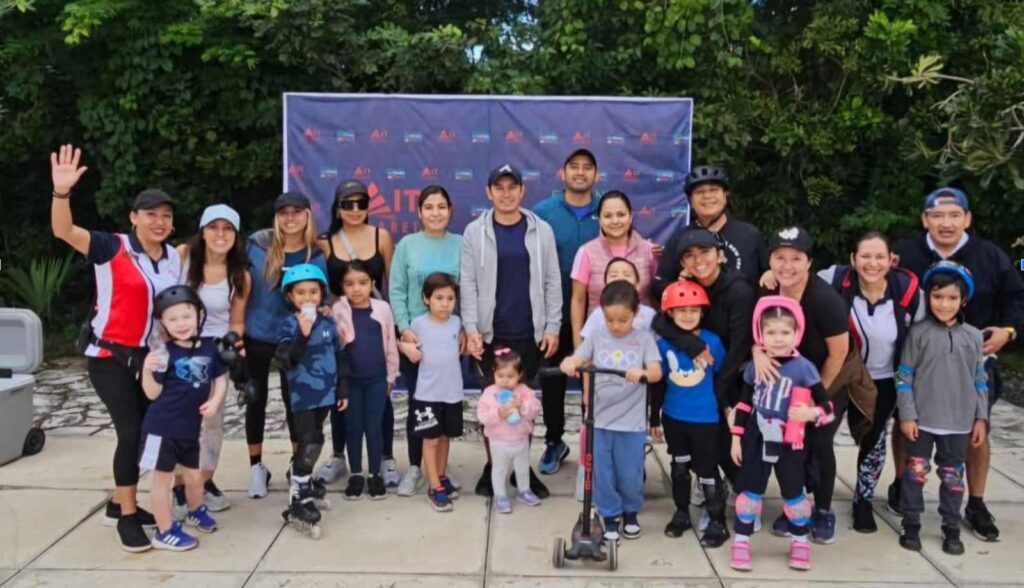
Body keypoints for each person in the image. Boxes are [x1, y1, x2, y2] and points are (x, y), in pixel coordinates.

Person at [49, 144, 180, 551]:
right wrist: (61, 192)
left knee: (145, 433)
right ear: (133, 218)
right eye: (150, 214)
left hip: (148, 358)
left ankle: (120, 502)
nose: (159, 222)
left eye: (166, 215)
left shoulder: (173, 258)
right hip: (109, 356)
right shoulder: (112, 247)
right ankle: (126, 516)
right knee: (130, 431)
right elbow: (64, 231)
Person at [893, 187, 1024, 542]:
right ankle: (903, 489)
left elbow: (1016, 297)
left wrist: (1009, 330)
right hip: (918, 361)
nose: (946, 223)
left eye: (954, 215)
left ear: (967, 219)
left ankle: (975, 503)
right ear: (925, 220)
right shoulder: (905, 253)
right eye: (937, 215)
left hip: (973, 365)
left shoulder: (991, 256)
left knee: (976, 435)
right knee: (906, 428)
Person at [461, 164, 561, 498]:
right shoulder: (475, 232)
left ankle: (521, 470)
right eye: (499, 188)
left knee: (523, 403)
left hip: (529, 334)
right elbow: (468, 283)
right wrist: (471, 329)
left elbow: (552, 281)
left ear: (522, 190)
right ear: (489, 192)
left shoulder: (541, 230)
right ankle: (494, 468)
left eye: (512, 187)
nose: (506, 194)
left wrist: (552, 326)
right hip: (491, 334)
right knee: (494, 404)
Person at [817, 231, 922, 533]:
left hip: (883, 379)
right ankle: (816, 497)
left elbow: (925, 333)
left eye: (879, 257)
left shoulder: (909, 292)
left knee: (873, 441)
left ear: (891, 260)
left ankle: (863, 500)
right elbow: (798, 278)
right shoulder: (834, 279)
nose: (872, 263)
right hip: (839, 372)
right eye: (865, 256)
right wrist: (772, 274)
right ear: (853, 259)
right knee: (820, 434)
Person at [753, 227, 849, 543]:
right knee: (791, 446)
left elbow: (839, 353)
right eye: (779, 257)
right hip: (787, 380)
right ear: (769, 260)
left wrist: (814, 396)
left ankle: (822, 509)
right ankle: (796, 506)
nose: (787, 265)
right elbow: (757, 333)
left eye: (796, 258)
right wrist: (757, 352)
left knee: (819, 443)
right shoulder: (768, 291)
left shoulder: (824, 300)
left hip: (827, 376)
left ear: (809, 262)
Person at [729, 297, 835, 572]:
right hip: (757, 436)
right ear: (760, 334)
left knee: (794, 494)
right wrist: (736, 438)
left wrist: (810, 413)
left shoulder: (804, 368)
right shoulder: (755, 366)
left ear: (797, 333)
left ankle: (800, 542)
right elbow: (744, 405)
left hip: (791, 440)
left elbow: (828, 409)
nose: (778, 339)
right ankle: (741, 541)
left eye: (785, 332)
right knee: (750, 493)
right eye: (771, 332)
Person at [895, 261, 988, 555]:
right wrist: (907, 414)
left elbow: (979, 378)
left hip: (959, 421)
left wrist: (981, 417)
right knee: (915, 473)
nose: (944, 304)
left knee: (952, 476)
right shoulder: (918, 333)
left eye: (951, 298)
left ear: (963, 300)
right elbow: (904, 375)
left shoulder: (973, 336)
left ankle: (951, 525)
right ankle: (911, 522)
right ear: (928, 297)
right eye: (937, 297)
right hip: (922, 420)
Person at [560, 281, 663, 542]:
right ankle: (609, 514)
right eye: (610, 320)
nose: (616, 325)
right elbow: (579, 357)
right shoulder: (597, 337)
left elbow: (656, 371)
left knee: (630, 473)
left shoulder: (644, 340)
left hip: (631, 422)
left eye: (622, 320)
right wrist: (570, 362)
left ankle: (630, 512)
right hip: (600, 419)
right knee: (601, 472)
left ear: (635, 314)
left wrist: (643, 372)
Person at [660, 228, 756, 504]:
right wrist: (692, 345)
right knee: (698, 442)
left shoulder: (739, 290)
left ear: (720, 255)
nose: (698, 260)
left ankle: (744, 493)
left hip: (733, 372)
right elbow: (662, 322)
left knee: (729, 440)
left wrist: (722, 396)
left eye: (704, 252)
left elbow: (739, 347)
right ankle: (707, 483)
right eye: (689, 255)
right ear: (682, 262)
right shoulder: (689, 285)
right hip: (705, 372)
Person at [244, 192, 327, 499]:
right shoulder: (257, 245)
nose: (290, 218)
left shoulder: (315, 254)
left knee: (296, 403)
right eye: (284, 213)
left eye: (296, 212)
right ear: (277, 218)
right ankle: (256, 467)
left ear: (307, 215)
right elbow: (239, 286)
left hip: (295, 337)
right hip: (257, 333)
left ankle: (297, 465)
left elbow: (322, 296)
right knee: (255, 400)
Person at [170, 204, 251, 518]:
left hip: (214, 354)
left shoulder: (240, 275)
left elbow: (237, 321)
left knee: (212, 422)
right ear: (202, 231)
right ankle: (180, 486)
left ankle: (204, 481)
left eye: (228, 228)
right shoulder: (182, 257)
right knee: (180, 420)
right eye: (214, 227)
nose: (220, 234)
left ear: (236, 235)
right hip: (178, 350)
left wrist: (234, 345)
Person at [319, 179, 399, 488]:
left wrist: (395, 327)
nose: (355, 210)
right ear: (337, 209)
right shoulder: (326, 242)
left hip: (375, 322)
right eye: (347, 204)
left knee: (382, 401)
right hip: (340, 326)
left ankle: (385, 458)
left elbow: (392, 283)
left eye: (361, 203)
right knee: (342, 397)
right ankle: (340, 456)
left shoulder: (382, 236)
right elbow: (320, 288)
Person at [140, 285, 227, 551]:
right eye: (173, 319)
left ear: (199, 315)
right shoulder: (163, 353)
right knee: (162, 481)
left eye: (186, 316)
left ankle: (195, 510)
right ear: (163, 323)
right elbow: (152, 393)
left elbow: (220, 378)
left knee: (194, 476)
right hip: (162, 429)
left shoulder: (210, 347)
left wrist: (215, 401)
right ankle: (164, 531)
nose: (181, 324)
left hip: (190, 427)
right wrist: (147, 370)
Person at [389, 185, 463, 496]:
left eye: (441, 207)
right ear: (419, 212)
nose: (435, 213)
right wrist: (404, 329)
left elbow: (469, 288)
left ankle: (439, 472)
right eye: (429, 207)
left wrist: (465, 328)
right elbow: (396, 289)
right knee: (419, 406)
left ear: (450, 211)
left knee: (444, 406)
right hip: (416, 341)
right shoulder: (407, 245)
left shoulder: (461, 244)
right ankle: (415, 467)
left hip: (448, 337)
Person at [533, 148, 601, 475]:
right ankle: (554, 441)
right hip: (555, 312)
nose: (580, 172)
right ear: (563, 173)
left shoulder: (608, 208)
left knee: (599, 380)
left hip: (601, 315)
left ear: (596, 175)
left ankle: (597, 445)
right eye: (574, 166)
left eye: (587, 167)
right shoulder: (543, 212)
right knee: (554, 381)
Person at [651, 279, 728, 547]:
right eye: (681, 310)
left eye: (694, 310)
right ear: (669, 313)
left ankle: (717, 520)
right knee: (680, 467)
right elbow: (658, 384)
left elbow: (723, 377)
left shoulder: (712, 342)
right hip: (674, 417)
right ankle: (682, 512)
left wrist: (727, 411)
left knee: (707, 471)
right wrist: (654, 418)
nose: (687, 315)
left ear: (702, 313)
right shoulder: (663, 345)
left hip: (706, 419)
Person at [274, 264, 348, 538]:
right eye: (301, 292)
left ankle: (302, 479)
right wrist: (302, 336)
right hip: (302, 395)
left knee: (316, 437)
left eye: (313, 292)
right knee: (310, 441)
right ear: (290, 296)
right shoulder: (288, 324)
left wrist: (343, 389)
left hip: (325, 393)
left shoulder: (328, 322)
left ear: (322, 293)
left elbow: (340, 356)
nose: (308, 297)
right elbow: (285, 359)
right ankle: (298, 494)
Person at [333, 261, 400, 500]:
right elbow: (336, 347)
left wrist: (391, 375)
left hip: (377, 380)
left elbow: (390, 343)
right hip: (350, 382)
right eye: (349, 284)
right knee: (353, 428)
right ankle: (356, 474)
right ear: (342, 286)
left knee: (374, 427)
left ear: (372, 284)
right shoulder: (338, 310)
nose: (356, 289)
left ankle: (374, 474)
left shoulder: (382, 309)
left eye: (362, 283)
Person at [655, 165, 766, 296]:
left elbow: (770, 278)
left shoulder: (750, 235)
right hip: (695, 309)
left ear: (726, 195)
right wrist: (680, 287)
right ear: (690, 200)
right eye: (699, 192)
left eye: (714, 190)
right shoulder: (679, 238)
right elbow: (659, 287)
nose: (707, 196)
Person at [570, 190, 658, 349]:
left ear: (631, 217)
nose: (615, 221)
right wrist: (578, 346)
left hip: (642, 343)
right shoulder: (586, 252)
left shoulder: (649, 251)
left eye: (621, 214)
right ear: (599, 219)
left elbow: (657, 294)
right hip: (599, 343)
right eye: (608, 216)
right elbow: (578, 300)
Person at [409, 272, 465, 512]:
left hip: (452, 392)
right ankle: (434, 486)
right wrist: (404, 345)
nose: (445, 304)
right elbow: (404, 344)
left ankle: (441, 476)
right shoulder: (418, 325)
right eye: (439, 298)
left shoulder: (457, 323)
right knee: (430, 439)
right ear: (426, 298)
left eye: (450, 298)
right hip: (427, 395)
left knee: (444, 437)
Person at [476, 348, 544, 514]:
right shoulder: (489, 393)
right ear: (494, 373)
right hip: (498, 441)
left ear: (519, 375)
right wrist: (498, 413)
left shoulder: (524, 391)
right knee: (499, 469)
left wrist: (523, 407)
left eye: (510, 376)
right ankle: (500, 495)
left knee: (522, 467)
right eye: (500, 376)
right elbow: (482, 415)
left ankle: (524, 490)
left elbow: (535, 409)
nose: (505, 381)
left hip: (521, 439)